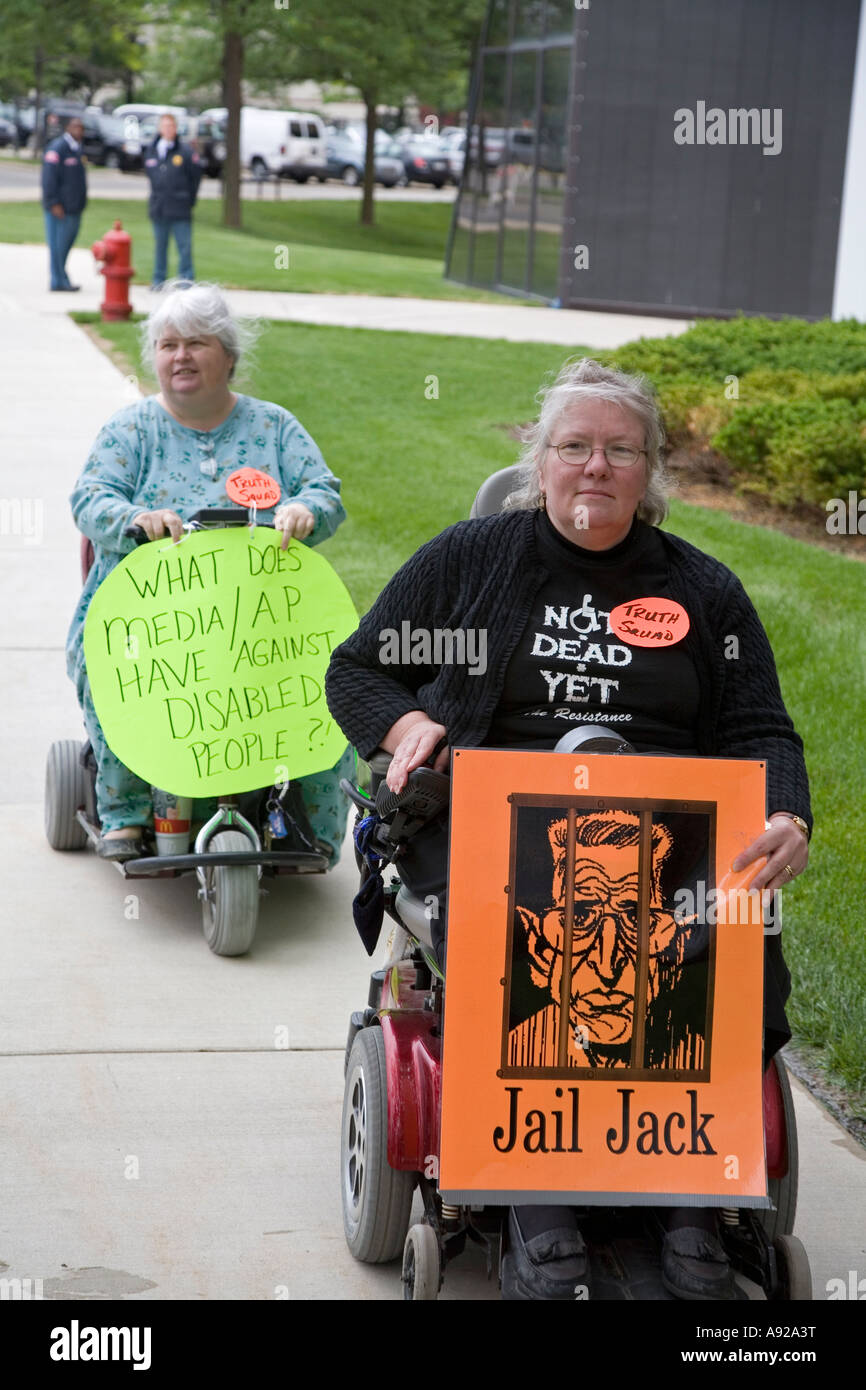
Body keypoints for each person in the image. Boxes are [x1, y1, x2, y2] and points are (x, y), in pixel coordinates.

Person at [325, 356, 812, 1301]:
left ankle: (687, 1199)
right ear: (539, 461)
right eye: (574, 446)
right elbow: (356, 669)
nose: (596, 467)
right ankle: (531, 1197)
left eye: (620, 450)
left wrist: (786, 811)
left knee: (728, 930)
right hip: (490, 821)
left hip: (663, 835)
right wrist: (403, 722)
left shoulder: (703, 593)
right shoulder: (468, 561)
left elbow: (760, 728)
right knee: (521, 933)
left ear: (652, 472)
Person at [67, 280, 351, 863]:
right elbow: (90, 498)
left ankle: (312, 824)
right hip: (152, 624)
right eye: (168, 345)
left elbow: (324, 491)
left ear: (228, 355)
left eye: (196, 343)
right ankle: (126, 812)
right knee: (118, 677)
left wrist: (303, 510)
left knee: (328, 686)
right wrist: (136, 518)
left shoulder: (273, 427)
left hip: (259, 623)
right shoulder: (133, 430)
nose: (180, 357)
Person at [143, 113, 202, 289]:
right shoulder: (152, 150)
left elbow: (196, 177)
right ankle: (158, 279)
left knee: (184, 247)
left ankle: (186, 280)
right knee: (160, 246)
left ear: (176, 129)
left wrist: (189, 199)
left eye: (171, 126)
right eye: (165, 126)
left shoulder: (185, 151)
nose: (168, 129)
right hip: (159, 207)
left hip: (180, 207)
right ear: (160, 128)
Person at [41, 115, 87, 292]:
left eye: (81, 127)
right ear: (67, 128)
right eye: (75, 126)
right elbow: (49, 178)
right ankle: (58, 281)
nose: (79, 130)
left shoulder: (76, 149)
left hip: (74, 207)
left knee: (65, 245)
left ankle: (61, 278)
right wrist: (53, 202)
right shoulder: (58, 148)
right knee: (57, 246)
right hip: (60, 209)